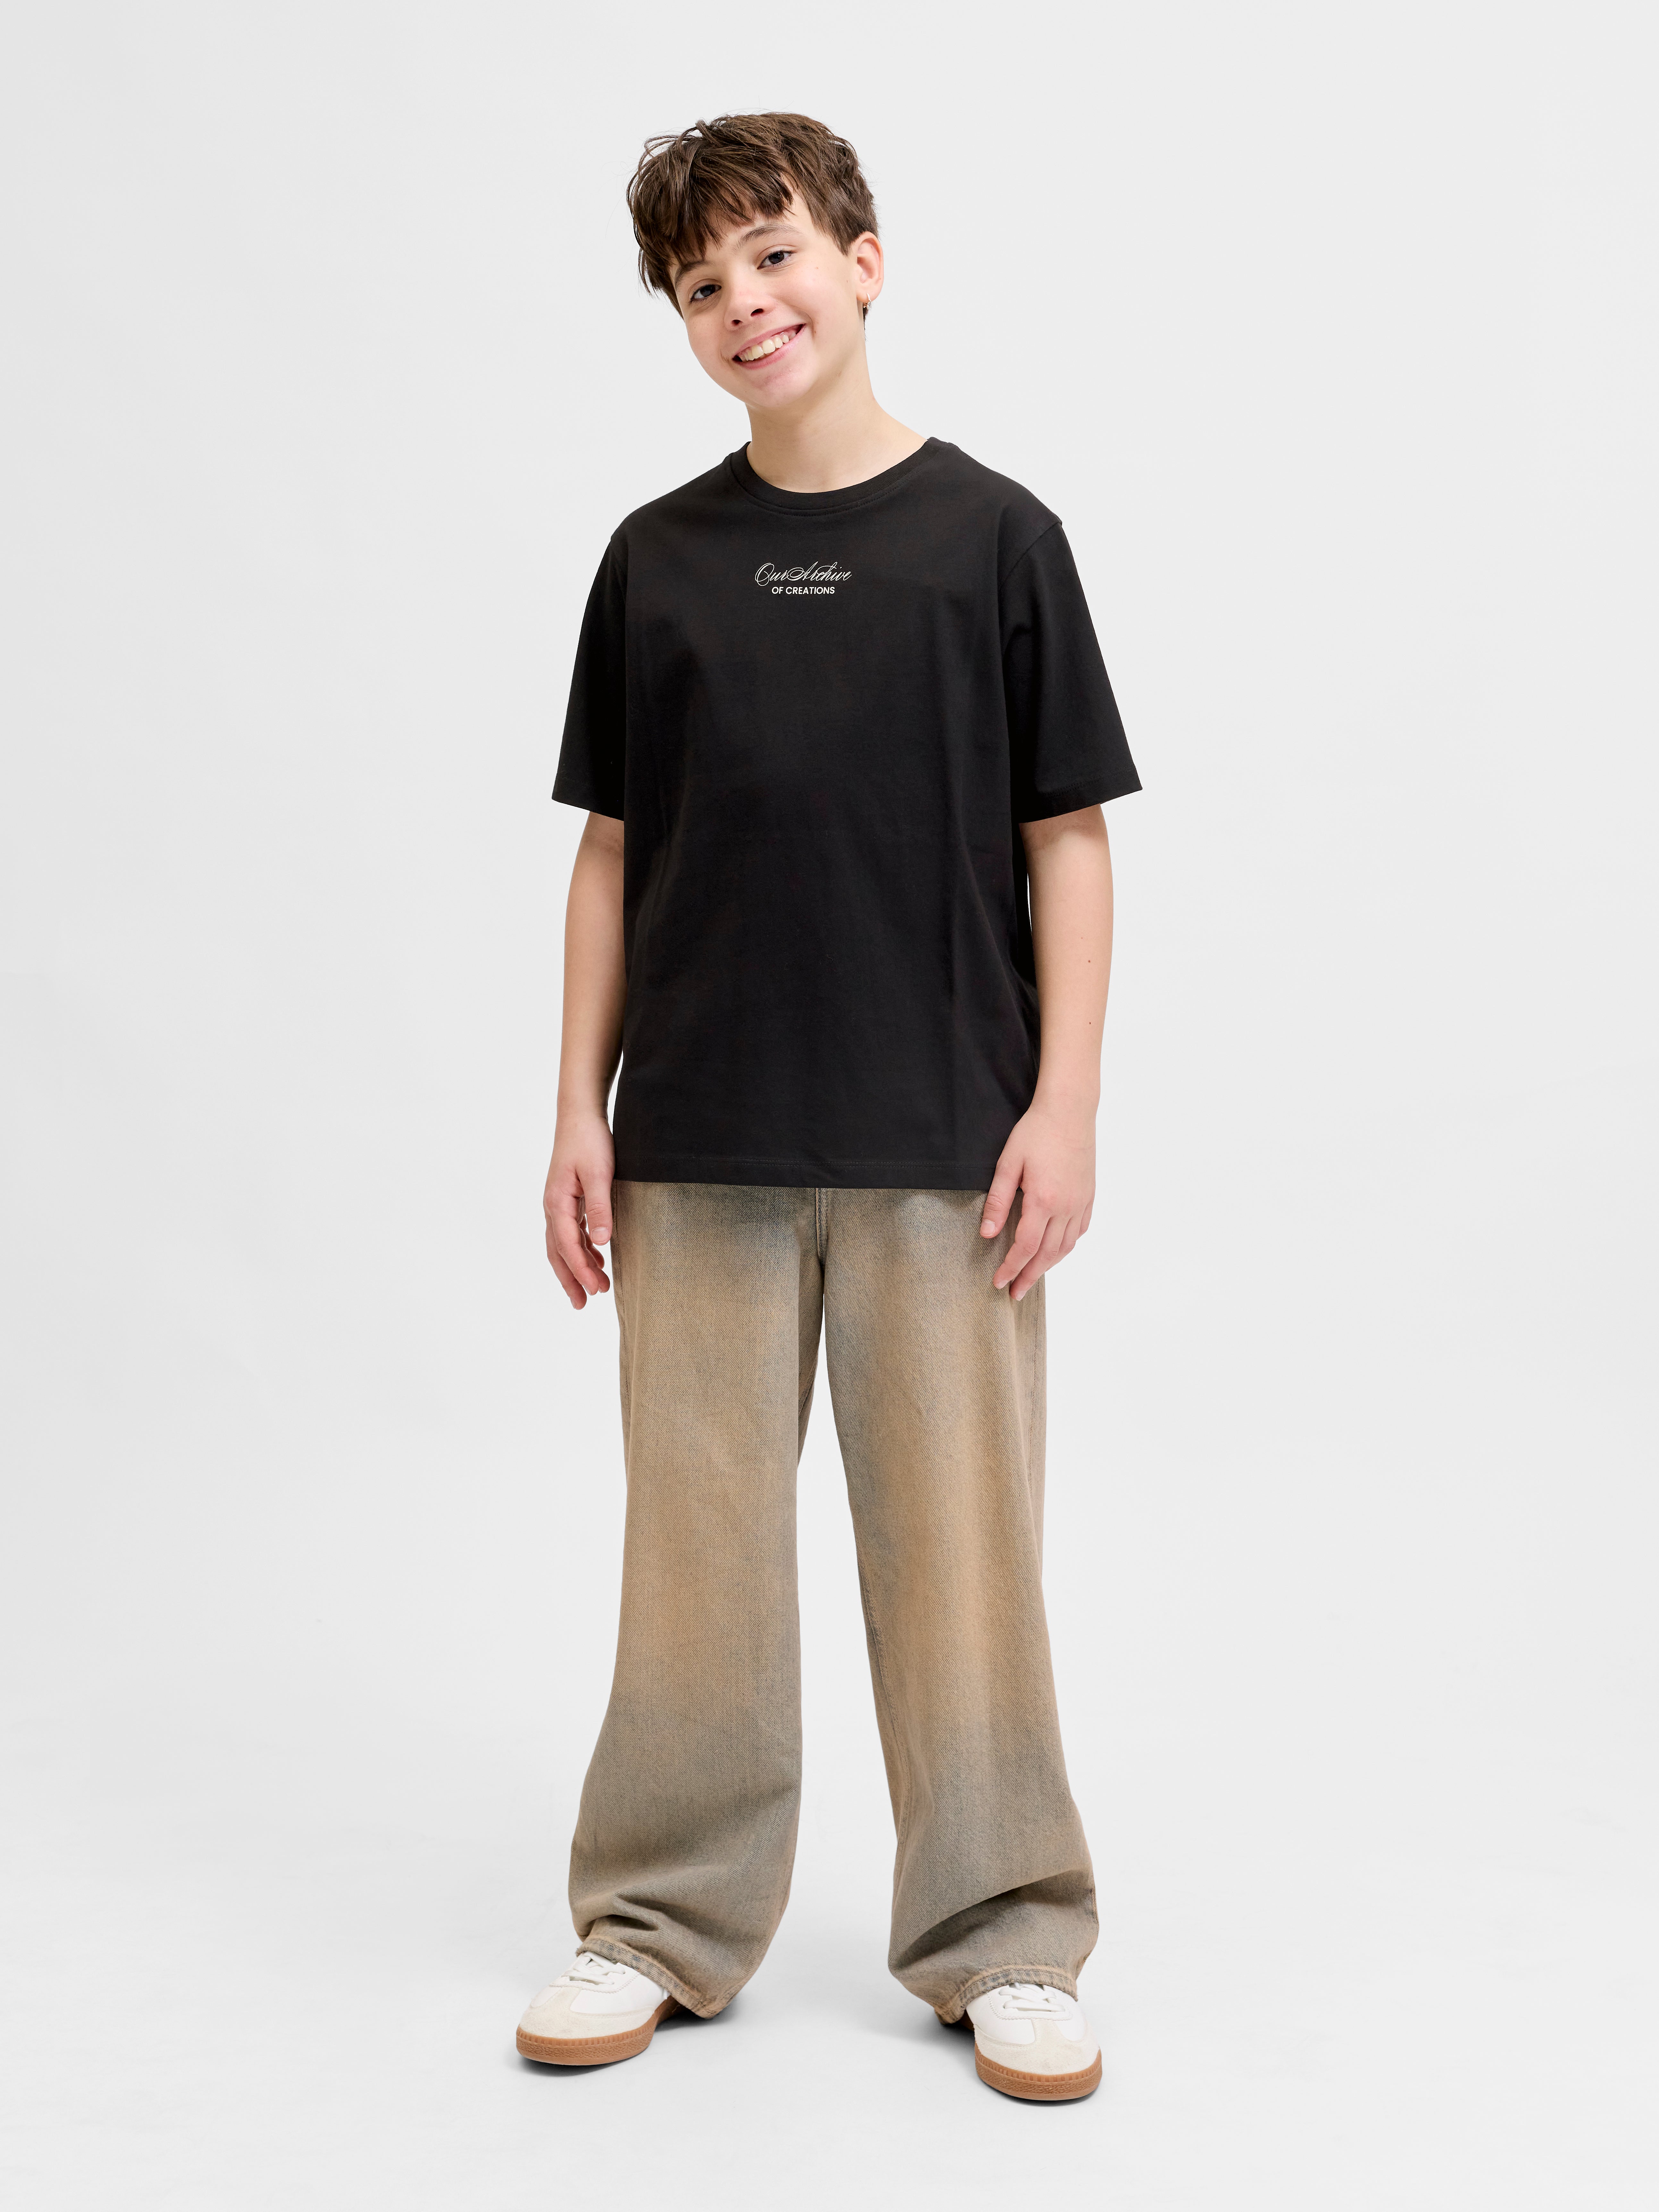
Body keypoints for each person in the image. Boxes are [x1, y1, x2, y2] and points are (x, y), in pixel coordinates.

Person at [516, 112, 1140, 2103]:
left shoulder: (994, 539)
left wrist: (1064, 1106)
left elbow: (1067, 838)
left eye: (772, 255)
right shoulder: (658, 560)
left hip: (942, 1138)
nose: (743, 303)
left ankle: (1002, 1931)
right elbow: (612, 851)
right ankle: (657, 1917)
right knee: (693, 1556)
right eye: (699, 284)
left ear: (863, 260)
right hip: (696, 1135)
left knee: (963, 1556)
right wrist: (577, 1110)